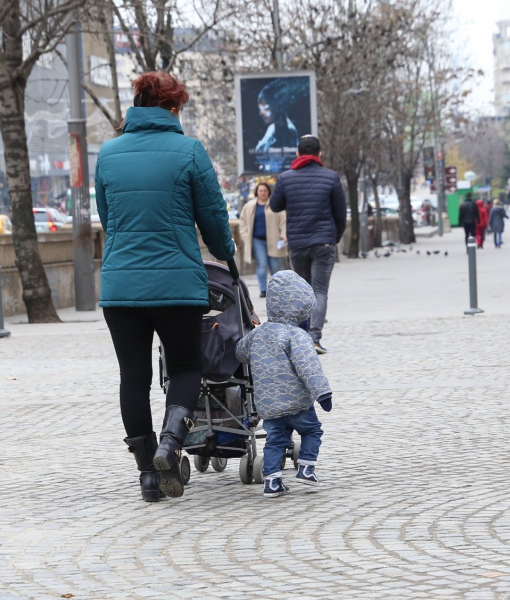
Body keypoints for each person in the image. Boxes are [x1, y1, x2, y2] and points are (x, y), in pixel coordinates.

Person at [95, 72, 235, 502]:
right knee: (186, 367)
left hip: (121, 288)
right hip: (176, 283)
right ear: (174, 108)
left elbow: (107, 217)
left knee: (133, 377)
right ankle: (171, 446)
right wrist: (224, 251)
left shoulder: (108, 154)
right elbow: (212, 219)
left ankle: (148, 476)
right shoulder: (190, 151)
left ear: (138, 104)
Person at [235, 270, 332, 498]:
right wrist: (323, 394)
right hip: (297, 403)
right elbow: (309, 367)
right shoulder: (296, 335)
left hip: (268, 405)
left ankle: (272, 482)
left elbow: (240, 352)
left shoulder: (258, 334)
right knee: (312, 430)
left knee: (275, 440)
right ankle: (307, 467)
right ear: (300, 309)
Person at [270, 135, 346, 355]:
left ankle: (301, 339)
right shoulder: (331, 178)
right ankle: (314, 338)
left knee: (301, 292)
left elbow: (275, 206)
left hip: (298, 242)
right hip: (324, 242)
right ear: (319, 154)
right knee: (320, 291)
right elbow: (340, 214)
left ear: (297, 154)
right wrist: (335, 237)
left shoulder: (286, 178)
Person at [239, 182, 287, 298]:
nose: (263, 193)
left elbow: (283, 220)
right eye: (260, 191)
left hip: (274, 240)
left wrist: (284, 234)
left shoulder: (275, 205)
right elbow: (243, 222)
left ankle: (276, 290)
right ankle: (263, 290)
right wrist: (245, 236)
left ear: (268, 192)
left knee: (275, 266)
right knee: (262, 264)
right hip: (257, 240)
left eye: (265, 191)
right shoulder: (250, 206)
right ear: (256, 192)